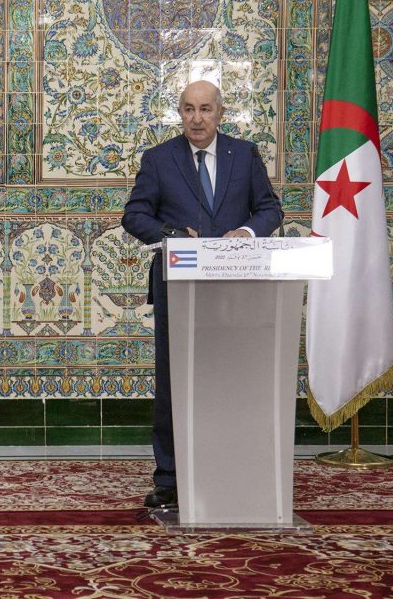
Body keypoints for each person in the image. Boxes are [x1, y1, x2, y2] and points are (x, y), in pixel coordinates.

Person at [121, 80, 283, 508]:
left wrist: (246, 232)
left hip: (237, 289)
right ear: (180, 113)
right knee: (175, 382)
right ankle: (170, 479)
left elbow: (270, 210)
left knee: (233, 378)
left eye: (205, 109)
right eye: (189, 109)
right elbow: (134, 215)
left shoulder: (244, 155)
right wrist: (172, 235)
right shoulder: (159, 159)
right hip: (179, 289)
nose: (197, 118)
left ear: (220, 113)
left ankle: (237, 467)